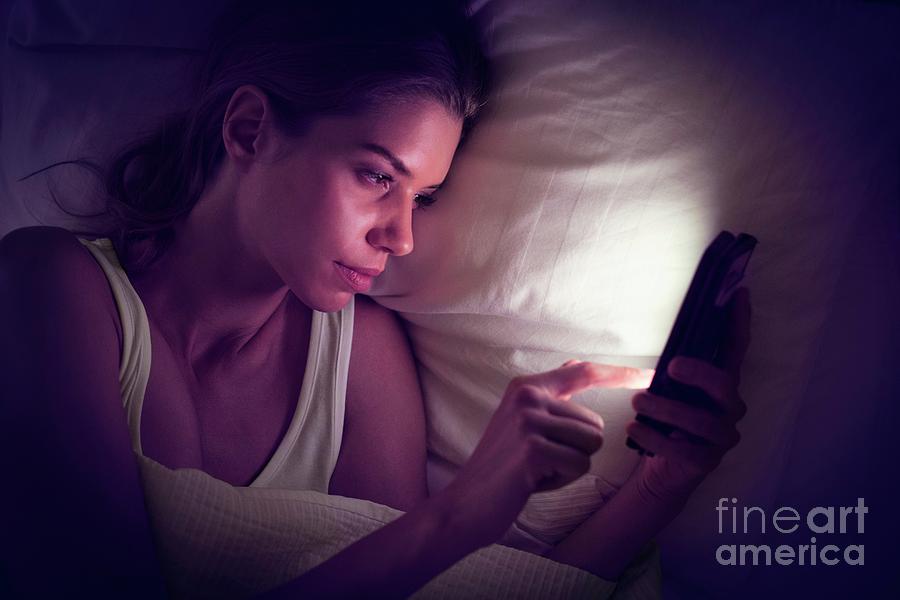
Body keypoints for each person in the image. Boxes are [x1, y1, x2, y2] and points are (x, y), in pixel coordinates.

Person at [0, 0, 751, 597]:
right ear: (251, 129)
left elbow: (426, 586)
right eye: (377, 176)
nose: (402, 237)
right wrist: (460, 514)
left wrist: (661, 484)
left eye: (422, 197)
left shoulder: (360, 353)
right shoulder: (51, 286)